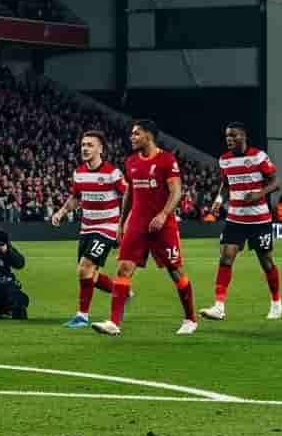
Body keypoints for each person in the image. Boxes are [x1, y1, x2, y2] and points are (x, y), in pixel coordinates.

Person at [92, 120, 197, 337]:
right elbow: (129, 194)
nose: (131, 137)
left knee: (176, 272)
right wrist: (122, 222)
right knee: (123, 269)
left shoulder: (167, 159)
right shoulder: (130, 162)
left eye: (136, 134)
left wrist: (163, 214)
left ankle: (190, 318)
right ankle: (114, 322)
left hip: (162, 226)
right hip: (137, 225)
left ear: (149, 136)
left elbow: (176, 192)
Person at [200, 122, 282, 321]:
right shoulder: (225, 160)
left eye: (234, 136)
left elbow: (276, 182)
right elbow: (226, 184)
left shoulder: (258, 157)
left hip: (259, 219)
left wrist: (259, 193)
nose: (229, 139)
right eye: (227, 136)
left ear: (244, 137)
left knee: (266, 261)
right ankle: (219, 306)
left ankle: (276, 302)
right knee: (226, 257)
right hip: (235, 218)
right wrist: (219, 200)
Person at [51, 131, 129, 328]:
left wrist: (123, 223)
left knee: (84, 268)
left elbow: (129, 194)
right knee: (89, 275)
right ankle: (121, 292)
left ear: (100, 149)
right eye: (83, 145)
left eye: (90, 145)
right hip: (86, 228)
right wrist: (61, 212)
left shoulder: (112, 173)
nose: (85, 148)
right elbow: (76, 198)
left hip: (106, 229)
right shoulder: (79, 173)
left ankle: (82, 316)